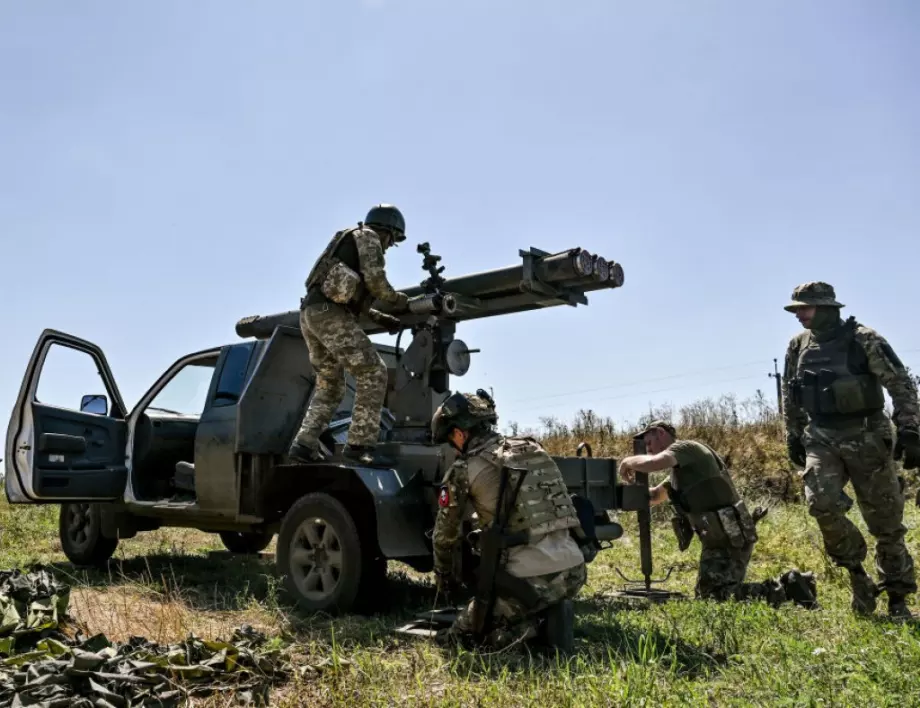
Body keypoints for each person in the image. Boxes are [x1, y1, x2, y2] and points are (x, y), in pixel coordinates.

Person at [782, 281, 919, 619]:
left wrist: (911, 428)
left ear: (827, 307)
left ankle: (898, 598)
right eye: (797, 308)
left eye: (805, 307)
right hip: (821, 435)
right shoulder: (797, 345)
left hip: (867, 434)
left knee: (885, 522)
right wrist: (793, 434)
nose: (798, 314)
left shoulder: (864, 339)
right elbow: (791, 392)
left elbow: (899, 383)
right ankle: (858, 576)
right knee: (821, 503)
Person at [430, 389, 587, 650]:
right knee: (526, 599)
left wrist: (444, 576)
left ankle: (536, 629)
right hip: (574, 571)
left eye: (450, 440)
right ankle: (552, 610)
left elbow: (444, 535)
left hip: (527, 582)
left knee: (462, 638)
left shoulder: (463, 469)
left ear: (459, 433)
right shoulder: (532, 448)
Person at [618, 420, 818, 608]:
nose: (648, 449)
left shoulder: (686, 448)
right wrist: (624, 492)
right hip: (719, 536)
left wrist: (628, 461)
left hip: (729, 535)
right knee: (709, 594)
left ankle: (787, 589)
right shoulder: (681, 471)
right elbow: (654, 496)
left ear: (661, 433)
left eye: (650, 442)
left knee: (714, 597)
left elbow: (654, 463)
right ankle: (797, 585)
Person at [288, 204, 413, 466]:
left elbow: (359, 303)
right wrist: (401, 301)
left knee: (331, 386)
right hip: (329, 315)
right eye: (392, 240)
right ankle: (359, 446)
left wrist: (383, 318)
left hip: (311, 314)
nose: (389, 246)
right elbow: (377, 284)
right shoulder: (368, 237)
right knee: (373, 371)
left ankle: (304, 444)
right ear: (387, 231)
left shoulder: (349, 243)